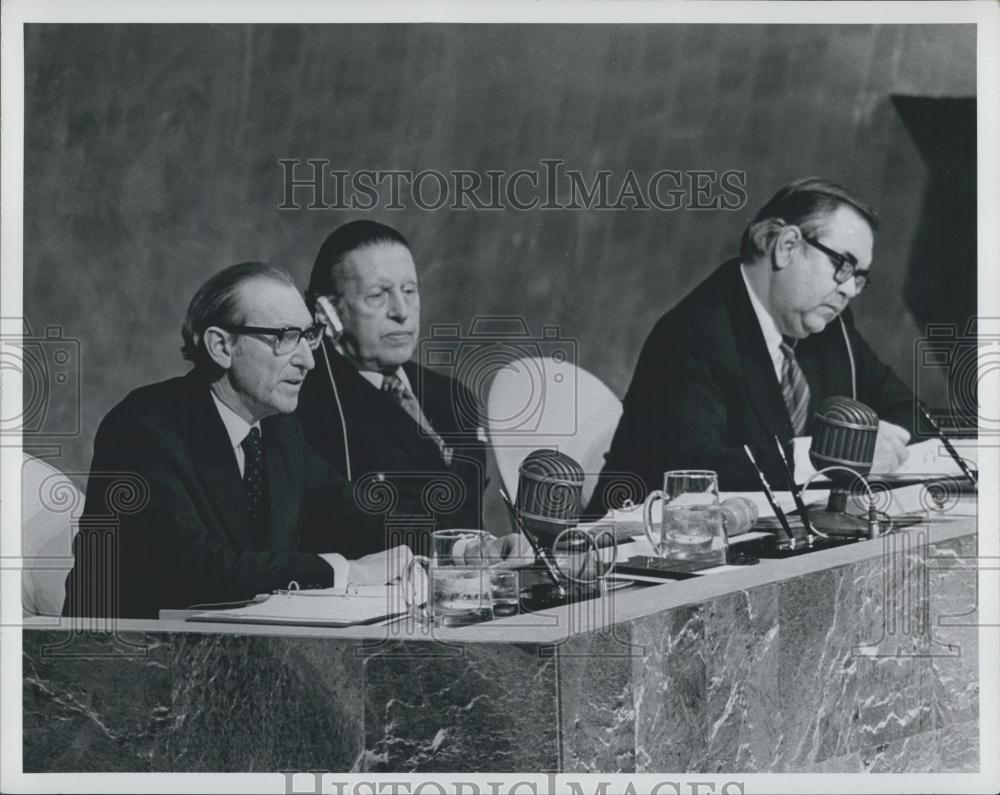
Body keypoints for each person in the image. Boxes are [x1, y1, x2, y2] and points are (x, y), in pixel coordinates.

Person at [63, 262, 402, 619]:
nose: (308, 361)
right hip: (123, 661)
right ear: (221, 346)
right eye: (286, 337)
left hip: (228, 657)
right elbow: (196, 571)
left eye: (309, 336)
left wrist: (452, 548)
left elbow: (354, 516)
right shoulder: (143, 430)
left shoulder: (278, 431)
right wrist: (349, 572)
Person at [589, 177, 914, 512]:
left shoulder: (829, 328)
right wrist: (828, 456)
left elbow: (907, 411)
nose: (848, 290)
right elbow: (691, 471)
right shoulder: (691, 333)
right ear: (787, 246)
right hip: (636, 547)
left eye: (859, 278)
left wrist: (881, 446)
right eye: (842, 266)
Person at [297, 220, 490, 559]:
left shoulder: (452, 397)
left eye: (410, 291)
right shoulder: (305, 407)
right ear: (328, 313)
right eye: (377, 296)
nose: (402, 312)